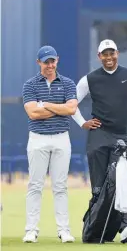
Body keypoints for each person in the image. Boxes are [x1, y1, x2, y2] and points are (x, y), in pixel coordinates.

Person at [72, 39, 127, 243]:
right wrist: (82, 123)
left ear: (117, 53)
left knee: (122, 183)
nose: (109, 57)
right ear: (99, 56)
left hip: (121, 138)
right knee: (98, 187)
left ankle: (124, 228)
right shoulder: (89, 79)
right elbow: (71, 104)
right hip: (98, 136)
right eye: (104, 54)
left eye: (112, 53)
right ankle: (94, 230)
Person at [22, 45, 78, 243]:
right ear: (39, 62)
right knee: (35, 185)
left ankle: (64, 230)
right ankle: (31, 230)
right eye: (46, 62)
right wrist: (59, 108)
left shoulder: (68, 83)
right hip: (38, 138)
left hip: (62, 138)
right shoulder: (30, 85)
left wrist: (44, 104)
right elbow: (32, 113)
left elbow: (71, 109)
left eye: (52, 61)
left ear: (57, 60)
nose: (49, 65)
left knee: (60, 186)